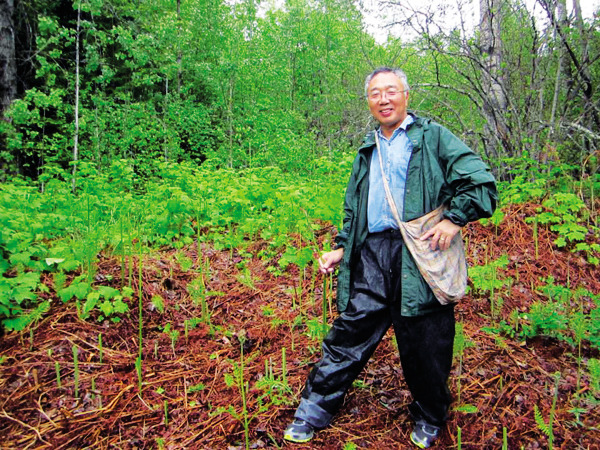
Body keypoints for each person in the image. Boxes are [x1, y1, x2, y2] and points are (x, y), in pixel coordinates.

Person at [283, 67, 497, 448]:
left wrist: (454, 219)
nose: (383, 99)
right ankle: (313, 410)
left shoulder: (432, 138)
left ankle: (430, 417)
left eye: (391, 91)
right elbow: (355, 208)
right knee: (351, 331)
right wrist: (341, 246)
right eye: (375, 93)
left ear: (405, 96)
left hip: (420, 254)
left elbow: (481, 183)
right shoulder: (368, 148)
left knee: (425, 342)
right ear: (368, 101)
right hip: (372, 254)